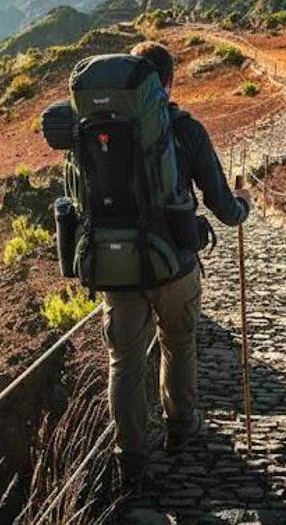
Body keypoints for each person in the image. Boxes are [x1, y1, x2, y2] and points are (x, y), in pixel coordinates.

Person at [104, 40, 251, 491]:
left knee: (123, 362)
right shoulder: (186, 130)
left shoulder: (98, 129)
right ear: (167, 82)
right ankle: (180, 427)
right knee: (177, 344)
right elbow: (223, 206)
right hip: (174, 264)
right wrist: (243, 206)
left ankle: (129, 458)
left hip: (116, 266)